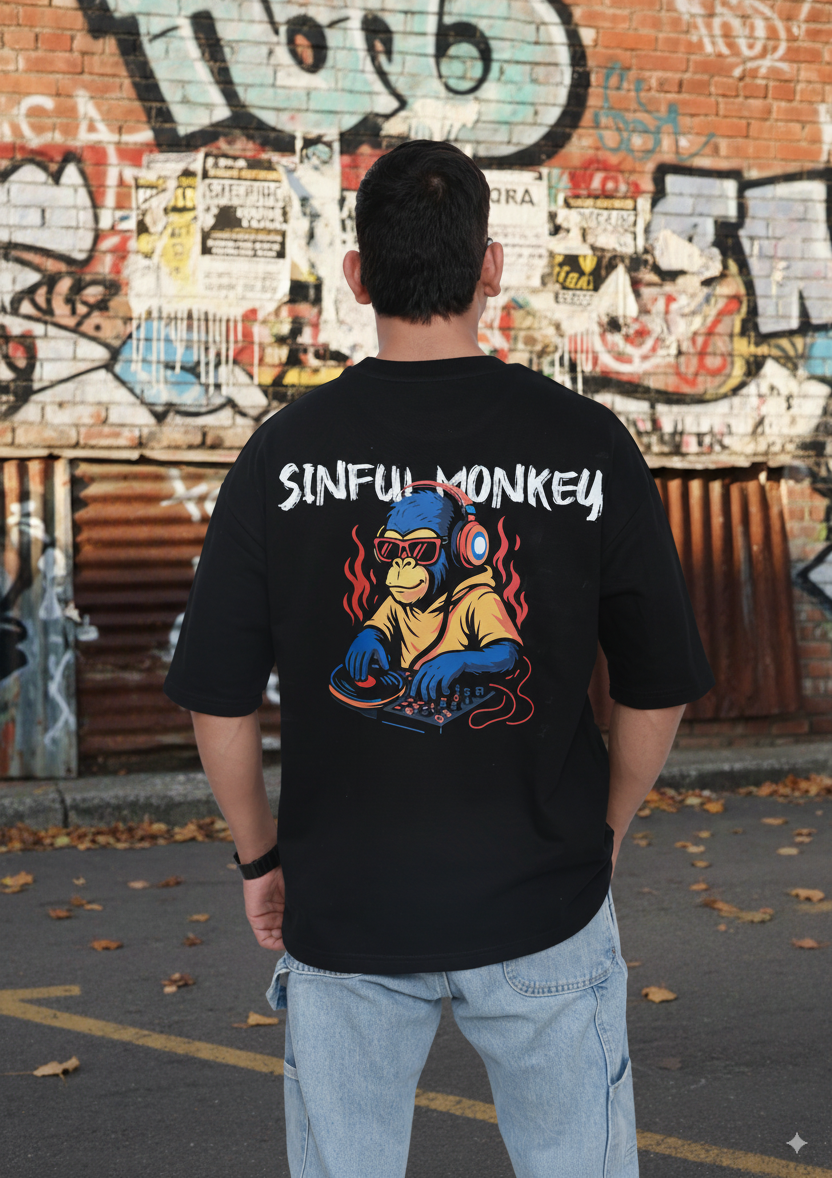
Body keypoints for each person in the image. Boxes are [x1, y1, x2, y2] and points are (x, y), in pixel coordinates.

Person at [164, 139, 713, 1178]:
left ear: (358, 275)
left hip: (346, 908)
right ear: (490, 268)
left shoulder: (282, 456)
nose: (407, 566)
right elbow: (656, 683)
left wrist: (259, 857)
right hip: (544, 899)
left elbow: (218, 696)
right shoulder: (586, 443)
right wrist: (604, 832)